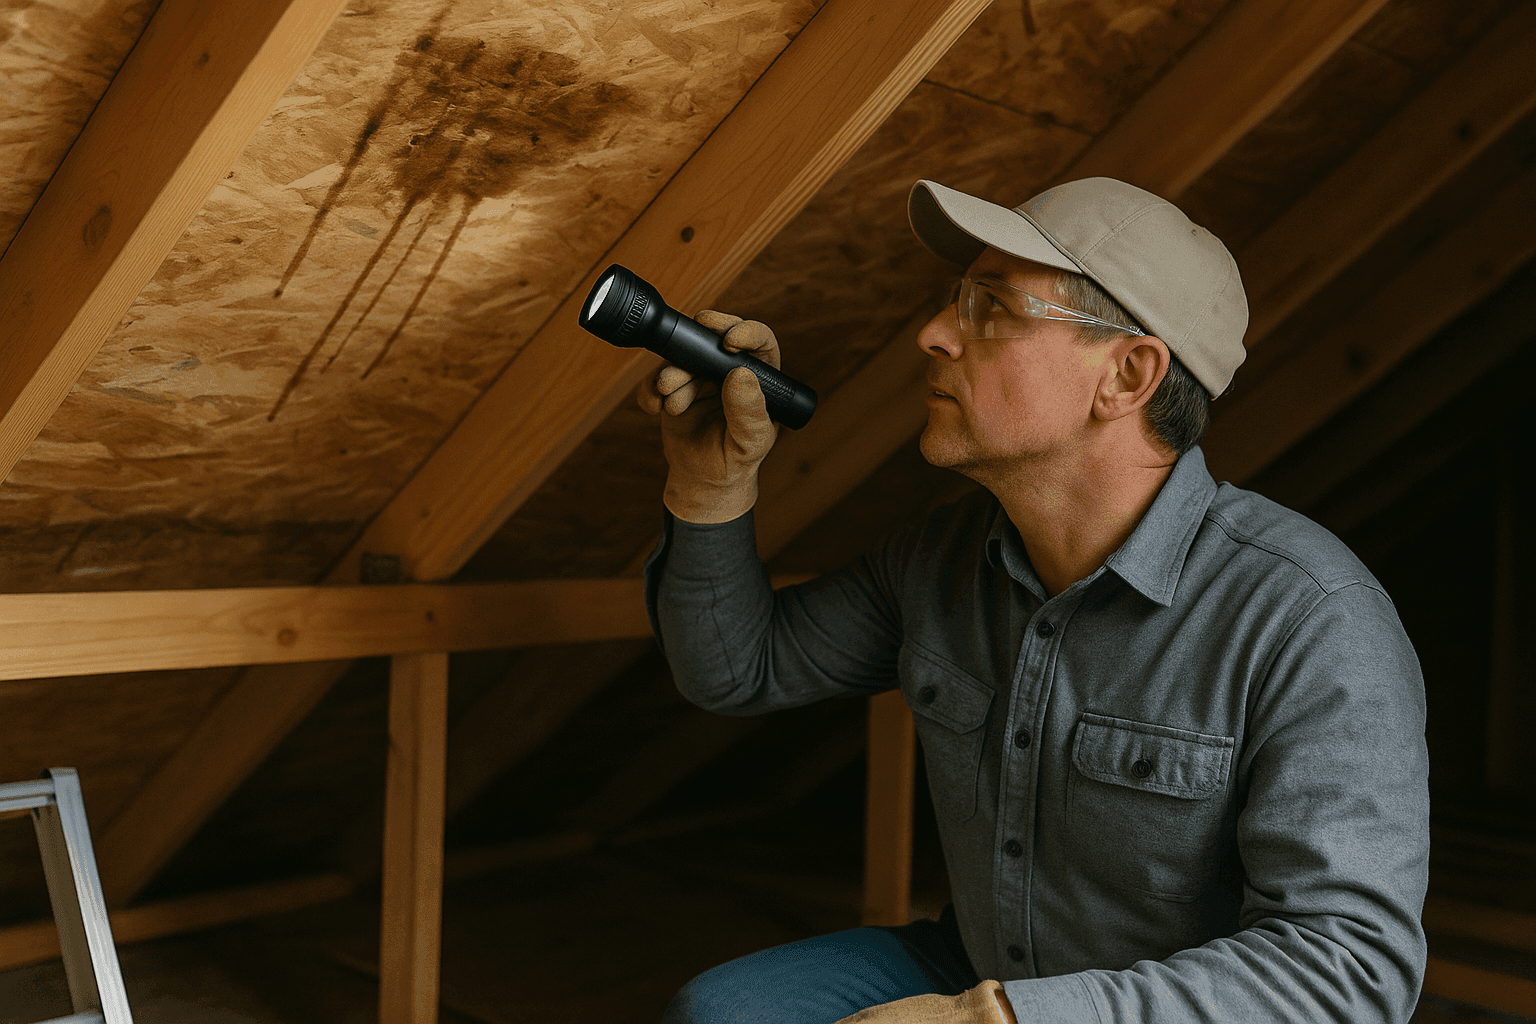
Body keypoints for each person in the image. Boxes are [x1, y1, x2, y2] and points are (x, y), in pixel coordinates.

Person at [635, 176, 1429, 1024]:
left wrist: (1001, 1020)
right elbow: (735, 669)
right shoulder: (938, 558)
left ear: (1126, 375)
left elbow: (1349, 969)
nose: (933, 334)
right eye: (953, 301)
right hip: (979, 964)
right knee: (720, 1013)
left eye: (992, 308)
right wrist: (710, 484)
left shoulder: (1310, 617)